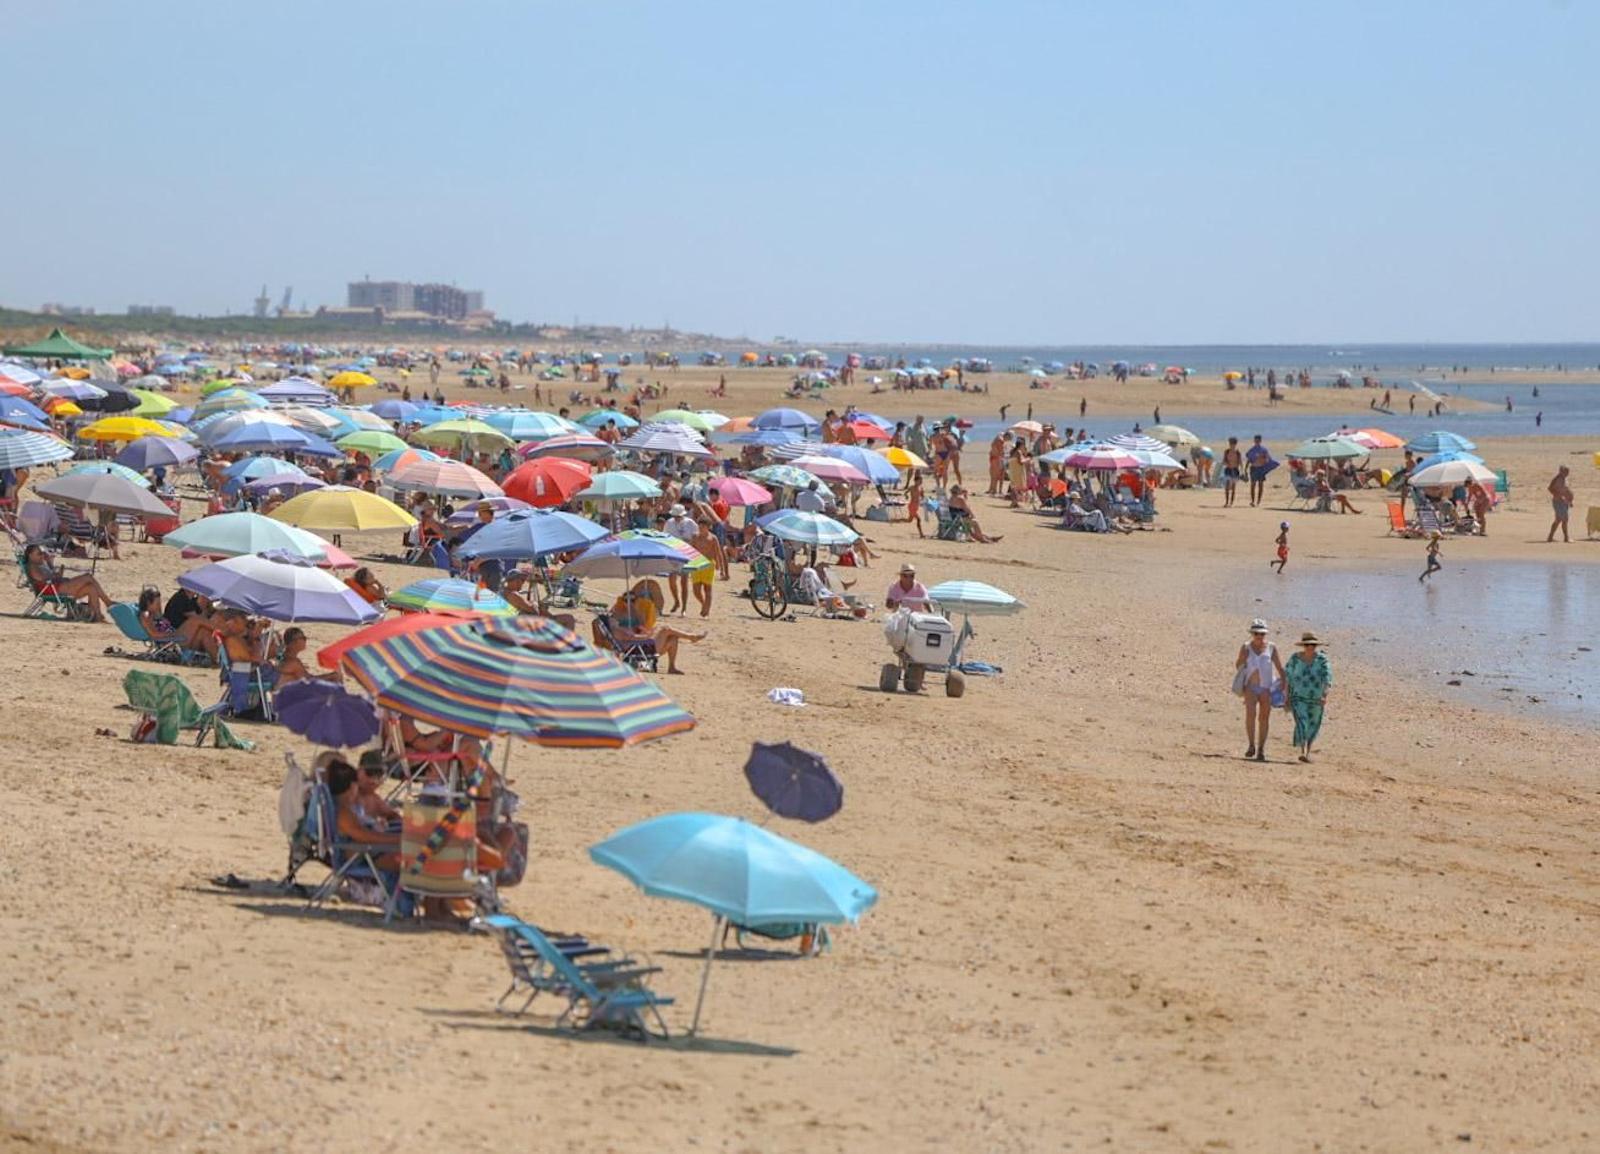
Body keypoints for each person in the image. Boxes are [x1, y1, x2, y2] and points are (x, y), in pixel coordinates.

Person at [598, 582, 705, 674]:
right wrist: (645, 636)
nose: (631, 602)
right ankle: (691, 637)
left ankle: (671, 667)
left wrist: (635, 612)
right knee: (665, 629)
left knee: (673, 638)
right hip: (637, 652)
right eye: (628, 600)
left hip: (641, 647)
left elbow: (642, 626)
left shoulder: (629, 616)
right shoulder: (616, 622)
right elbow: (627, 637)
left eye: (634, 600)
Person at [1235, 619, 1286, 762]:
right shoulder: (1246, 647)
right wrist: (1242, 660)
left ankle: (1261, 749)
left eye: (1262, 633)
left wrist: (1284, 684)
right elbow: (1238, 665)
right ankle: (1251, 745)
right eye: (1256, 633)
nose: (1259, 636)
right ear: (1252, 634)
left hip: (1267, 688)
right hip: (1250, 686)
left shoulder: (1271, 647)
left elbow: (1279, 667)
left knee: (1264, 718)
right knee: (1250, 715)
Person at [22, 544, 111, 621]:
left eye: (43, 553)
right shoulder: (32, 566)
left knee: (90, 587)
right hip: (53, 590)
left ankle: (98, 616)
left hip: (57, 587)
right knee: (88, 577)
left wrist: (50, 563)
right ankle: (108, 603)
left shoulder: (41, 565)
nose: (42, 556)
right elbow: (42, 579)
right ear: (30, 555)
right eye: (39, 553)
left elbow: (50, 576)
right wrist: (56, 576)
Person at [1283, 632, 1332, 763]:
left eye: (1313, 645)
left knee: (1313, 725)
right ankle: (1303, 752)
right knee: (1302, 722)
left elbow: (1328, 679)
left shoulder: (1323, 660)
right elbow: (1287, 677)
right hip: (1297, 697)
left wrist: (1324, 696)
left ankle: (1308, 753)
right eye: (1308, 644)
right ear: (1303, 645)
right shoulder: (1295, 658)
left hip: (1316, 699)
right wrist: (1286, 695)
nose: (1310, 647)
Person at [136, 586, 218, 661]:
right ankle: (221, 630)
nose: (159, 606)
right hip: (171, 641)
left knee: (204, 633)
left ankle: (218, 661)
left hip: (175, 638)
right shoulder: (145, 615)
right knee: (195, 620)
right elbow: (153, 634)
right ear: (148, 603)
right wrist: (174, 635)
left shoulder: (156, 613)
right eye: (157, 603)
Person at [687, 519, 725, 617]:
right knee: (696, 590)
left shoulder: (713, 538)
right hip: (696, 564)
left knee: (708, 589)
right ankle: (704, 604)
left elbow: (718, 553)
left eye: (703, 527)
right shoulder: (695, 537)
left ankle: (706, 610)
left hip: (708, 564)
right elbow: (690, 550)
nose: (701, 528)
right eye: (700, 527)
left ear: (708, 527)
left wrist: (721, 568)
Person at [1547, 465, 1573, 543]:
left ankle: (1550, 537)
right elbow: (1550, 488)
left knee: (1558, 520)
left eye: (1568, 471)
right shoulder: (1557, 479)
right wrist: (1557, 495)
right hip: (1558, 502)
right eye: (1566, 471)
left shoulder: (1564, 479)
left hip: (1563, 502)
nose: (1568, 473)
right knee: (1564, 519)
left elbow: (1565, 490)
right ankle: (1566, 538)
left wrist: (1569, 501)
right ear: (1561, 471)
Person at [1245, 435, 1272, 507]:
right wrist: (1245, 469)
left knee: (1260, 485)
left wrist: (1263, 459)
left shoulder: (1263, 450)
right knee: (1253, 485)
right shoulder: (1251, 450)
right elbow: (1249, 459)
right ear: (1254, 441)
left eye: (1258, 440)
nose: (1256, 442)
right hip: (1253, 468)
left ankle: (1258, 502)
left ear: (1260, 441)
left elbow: (1268, 460)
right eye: (1255, 440)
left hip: (1261, 468)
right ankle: (1252, 501)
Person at [1221, 437, 1242, 508]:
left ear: (1235, 444)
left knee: (1233, 487)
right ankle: (1226, 502)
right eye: (1230, 443)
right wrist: (1227, 464)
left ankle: (1231, 502)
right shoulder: (1226, 451)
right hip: (1228, 470)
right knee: (1227, 487)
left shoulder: (1238, 452)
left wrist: (1242, 471)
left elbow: (1240, 462)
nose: (1231, 445)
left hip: (1235, 471)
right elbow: (1223, 461)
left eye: (1233, 443)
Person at [906, 470, 925, 538]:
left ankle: (895, 520)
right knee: (918, 519)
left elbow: (922, 497)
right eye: (920, 481)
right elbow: (906, 492)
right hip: (912, 506)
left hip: (916, 506)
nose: (921, 482)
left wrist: (923, 497)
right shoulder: (912, 487)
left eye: (921, 481)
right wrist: (907, 496)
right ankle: (921, 534)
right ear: (916, 481)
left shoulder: (920, 488)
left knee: (909, 520)